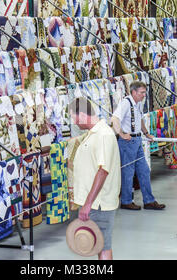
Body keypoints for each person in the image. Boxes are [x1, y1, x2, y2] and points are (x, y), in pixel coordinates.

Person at [69, 97, 121, 260]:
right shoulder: (94, 134)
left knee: (103, 245)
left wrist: (88, 203)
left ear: (83, 115)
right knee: (100, 243)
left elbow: (103, 171)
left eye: (74, 118)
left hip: (99, 203)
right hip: (95, 202)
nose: (74, 123)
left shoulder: (103, 135)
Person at [111, 81, 166, 210]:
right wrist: (121, 133)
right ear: (134, 92)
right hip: (127, 142)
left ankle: (149, 200)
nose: (144, 95)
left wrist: (146, 133)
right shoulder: (126, 103)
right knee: (128, 172)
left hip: (137, 140)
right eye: (141, 92)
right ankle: (126, 201)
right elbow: (114, 119)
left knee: (144, 171)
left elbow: (139, 119)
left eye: (144, 92)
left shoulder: (138, 104)